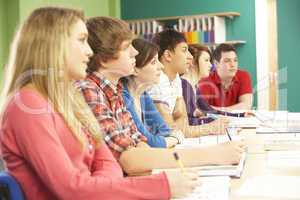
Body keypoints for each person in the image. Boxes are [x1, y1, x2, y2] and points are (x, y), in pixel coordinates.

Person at [0, 7, 198, 200]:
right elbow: (73, 190)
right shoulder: (27, 104)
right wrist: (164, 185)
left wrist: (96, 187)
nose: (89, 51)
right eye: (81, 40)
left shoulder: (70, 100)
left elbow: (106, 161)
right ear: (53, 45)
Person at [77, 17, 245, 176]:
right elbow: (129, 158)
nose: (135, 51)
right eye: (127, 46)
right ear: (105, 59)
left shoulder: (116, 90)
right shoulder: (90, 90)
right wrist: (212, 155)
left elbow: (139, 141)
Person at [148, 29, 229, 137]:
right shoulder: (156, 83)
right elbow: (170, 132)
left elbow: (183, 125)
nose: (190, 57)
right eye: (184, 50)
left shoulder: (176, 79)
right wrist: (211, 127)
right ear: (168, 56)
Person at [122, 38, 184, 148]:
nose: (161, 66)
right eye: (154, 62)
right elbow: (146, 140)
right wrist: (173, 139)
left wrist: (164, 139)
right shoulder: (123, 96)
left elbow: (165, 130)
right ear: (135, 68)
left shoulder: (143, 94)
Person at [181, 44, 252, 126]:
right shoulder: (185, 85)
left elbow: (209, 110)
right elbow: (188, 122)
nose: (210, 65)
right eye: (206, 60)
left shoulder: (195, 87)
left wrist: (239, 115)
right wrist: (212, 121)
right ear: (193, 62)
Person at [197, 43, 253, 111]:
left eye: (235, 60)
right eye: (227, 61)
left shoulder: (244, 76)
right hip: (216, 121)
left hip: (239, 121)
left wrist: (221, 110)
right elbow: (202, 110)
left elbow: (246, 105)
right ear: (216, 64)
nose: (233, 65)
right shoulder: (206, 81)